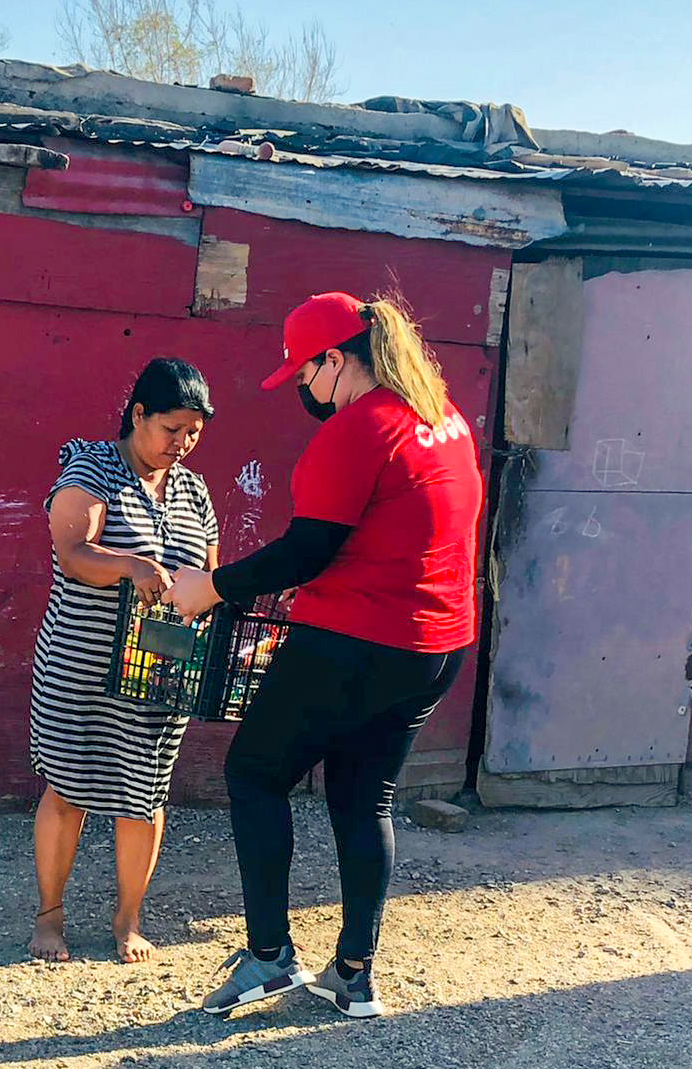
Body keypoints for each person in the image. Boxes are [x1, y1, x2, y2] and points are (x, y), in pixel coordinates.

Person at [166, 292, 483, 1018]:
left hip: (357, 639)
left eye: (303, 376)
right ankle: (352, 974)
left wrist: (209, 587)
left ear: (335, 360)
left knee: (253, 773)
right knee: (362, 799)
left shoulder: (360, 429)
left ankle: (270, 958)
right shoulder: (443, 419)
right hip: (436, 643)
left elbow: (308, 549)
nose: (302, 391)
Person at [28, 358, 220, 964]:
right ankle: (50, 916)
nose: (182, 443)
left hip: (159, 676)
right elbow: (72, 552)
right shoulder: (91, 467)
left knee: (145, 796)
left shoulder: (194, 490)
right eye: (171, 428)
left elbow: (209, 574)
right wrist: (130, 565)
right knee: (68, 790)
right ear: (138, 415)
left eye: (193, 432)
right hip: (80, 665)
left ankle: (128, 920)